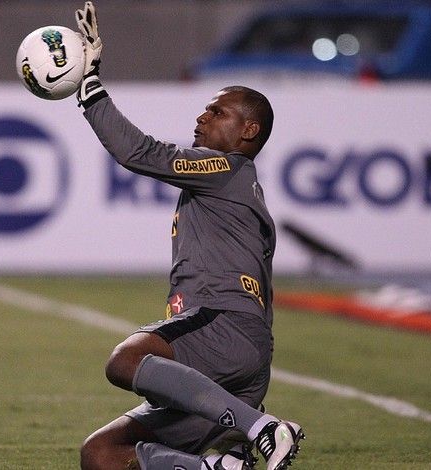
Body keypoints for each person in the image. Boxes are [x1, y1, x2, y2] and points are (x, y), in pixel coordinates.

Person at [74, 3, 304, 469]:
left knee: (125, 361)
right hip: (239, 353)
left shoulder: (225, 169)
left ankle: (264, 429)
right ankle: (219, 465)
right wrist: (251, 389)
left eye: (217, 111)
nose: (202, 117)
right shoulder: (236, 193)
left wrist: (89, 87)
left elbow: (140, 152)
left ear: (248, 130)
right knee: (101, 455)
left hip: (220, 325)